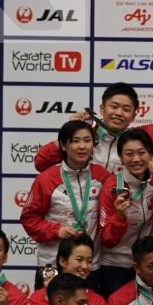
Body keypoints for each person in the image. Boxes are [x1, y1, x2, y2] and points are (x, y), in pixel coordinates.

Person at [20, 118, 113, 276]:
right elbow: (29, 219)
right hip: (53, 263)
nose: (82, 146)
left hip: (89, 265)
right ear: (63, 145)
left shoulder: (103, 176)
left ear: (94, 144)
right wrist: (57, 231)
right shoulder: (46, 179)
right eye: (75, 141)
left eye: (87, 140)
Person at [93, 128, 153, 298]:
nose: (136, 159)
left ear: (150, 153)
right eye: (129, 154)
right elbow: (107, 240)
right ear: (120, 156)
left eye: (141, 153)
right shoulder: (112, 188)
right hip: (116, 266)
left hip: (149, 267)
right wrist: (119, 217)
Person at [32, 83, 143, 175]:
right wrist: (69, 133)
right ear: (102, 109)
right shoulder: (85, 133)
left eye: (126, 109)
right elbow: (41, 164)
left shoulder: (136, 144)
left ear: (133, 116)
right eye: (114, 107)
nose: (119, 113)